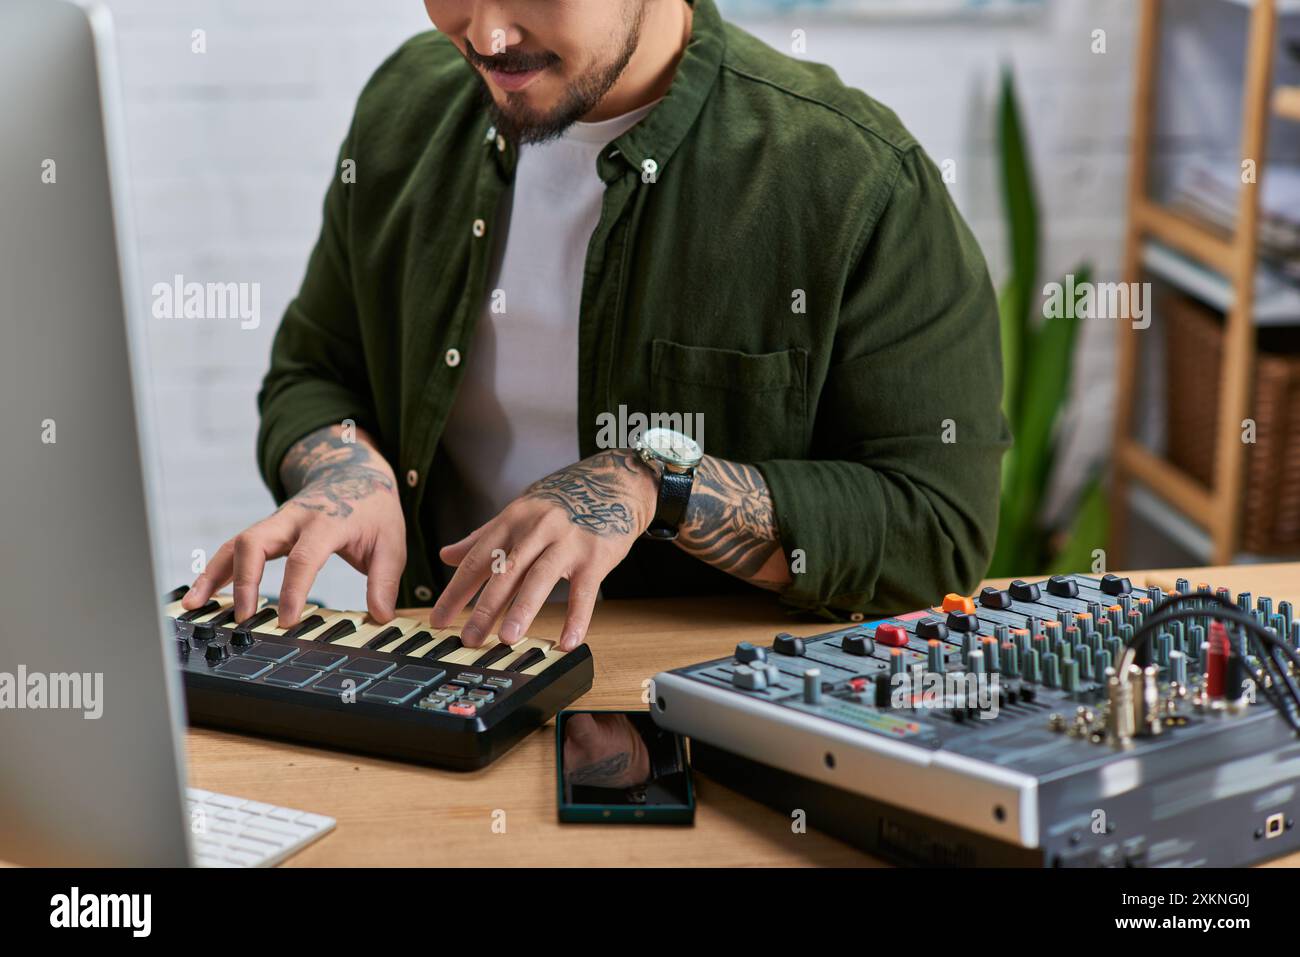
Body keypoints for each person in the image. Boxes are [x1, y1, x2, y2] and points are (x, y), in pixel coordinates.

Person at [182, 0, 1009, 653]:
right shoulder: (404, 107)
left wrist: (658, 483)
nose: (487, 32)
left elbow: (936, 530)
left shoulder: (855, 178)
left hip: (701, 736)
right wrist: (345, 472)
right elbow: (313, 371)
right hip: (435, 682)